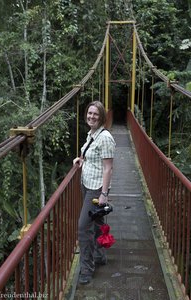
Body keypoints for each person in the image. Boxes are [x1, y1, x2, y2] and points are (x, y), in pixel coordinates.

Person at [73, 100, 116, 285]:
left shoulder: (105, 137)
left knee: (83, 228)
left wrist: (104, 194)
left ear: (102, 117)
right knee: (97, 223)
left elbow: (108, 168)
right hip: (87, 184)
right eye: (89, 113)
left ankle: (87, 269)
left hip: (96, 188)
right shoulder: (92, 134)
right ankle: (100, 256)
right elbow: (94, 158)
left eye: (95, 114)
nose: (91, 116)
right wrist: (82, 162)